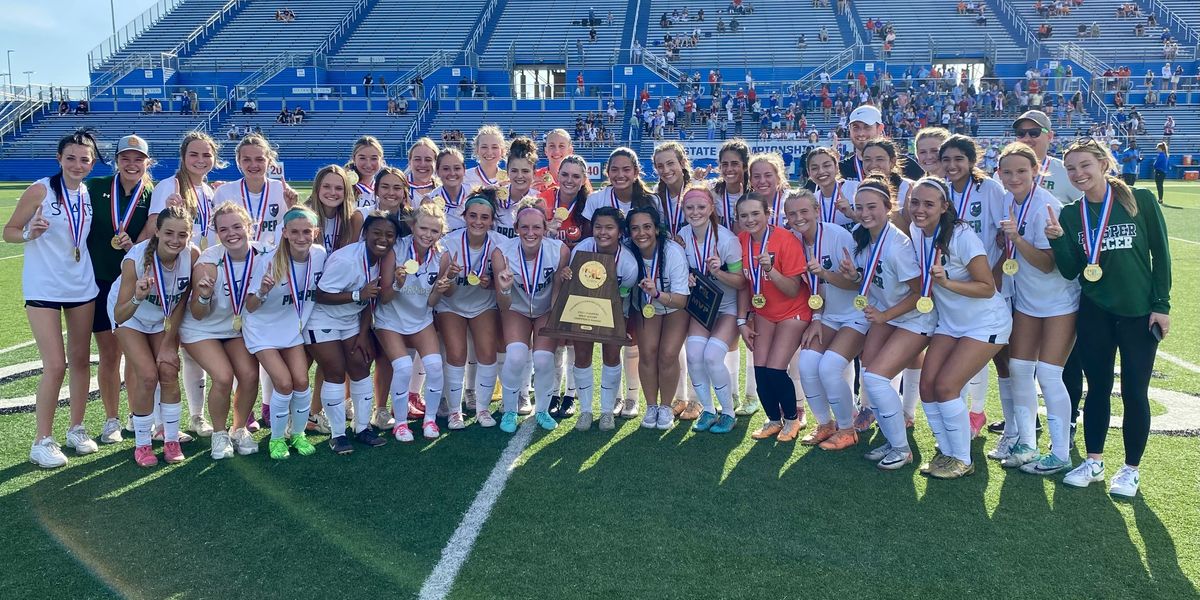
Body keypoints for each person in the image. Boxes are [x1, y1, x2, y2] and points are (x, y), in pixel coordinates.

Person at [1049, 138, 1171, 498]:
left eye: (1085, 165)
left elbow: (1160, 256)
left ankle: (1131, 469)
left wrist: (1161, 305)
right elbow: (1072, 271)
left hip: (1137, 312)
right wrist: (1057, 240)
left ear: (1104, 164)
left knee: (1135, 392)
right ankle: (1094, 462)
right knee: (1097, 388)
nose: (1078, 173)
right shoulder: (1072, 214)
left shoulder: (1140, 200)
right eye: (1071, 168)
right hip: (1095, 312)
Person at [4, 131, 102, 468]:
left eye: (84, 159)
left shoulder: (89, 193)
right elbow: (9, 231)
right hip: (43, 288)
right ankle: (41, 440)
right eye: (71, 158)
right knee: (55, 365)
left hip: (81, 287)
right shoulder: (40, 190)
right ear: (59, 159)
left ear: (92, 162)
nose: (77, 164)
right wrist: (30, 233)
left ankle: (76, 428)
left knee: (79, 360)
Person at [909, 175, 1011, 479]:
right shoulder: (917, 233)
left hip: (985, 323)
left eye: (929, 204)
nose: (920, 209)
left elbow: (987, 287)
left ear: (944, 206)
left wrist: (946, 282)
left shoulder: (961, 235)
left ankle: (963, 459)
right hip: (950, 323)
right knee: (926, 387)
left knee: (946, 387)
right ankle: (947, 451)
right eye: (915, 202)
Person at [990, 142, 1079, 475]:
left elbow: (1046, 265)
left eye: (1022, 171)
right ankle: (1026, 444)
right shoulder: (1007, 200)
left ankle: (1059, 453)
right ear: (999, 173)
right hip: (1027, 300)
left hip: (1059, 301)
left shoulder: (1047, 205)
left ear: (1036, 171)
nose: (1014, 177)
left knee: (1050, 374)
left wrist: (1016, 239)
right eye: (1008, 171)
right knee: (1020, 370)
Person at [109, 206, 197, 467]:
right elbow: (120, 313)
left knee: (168, 370)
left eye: (182, 235)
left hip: (162, 318)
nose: (175, 240)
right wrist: (138, 295)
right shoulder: (134, 260)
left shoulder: (191, 255)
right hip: (131, 316)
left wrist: (171, 343)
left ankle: (170, 439)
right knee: (147, 375)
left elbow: (181, 301)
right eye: (168, 232)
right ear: (156, 231)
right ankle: (142, 444)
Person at [308, 208, 398, 456]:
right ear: (365, 233)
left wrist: (362, 333)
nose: (383, 239)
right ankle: (338, 435)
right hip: (322, 319)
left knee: (360, 366)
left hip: (351, 320)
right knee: (335, 372)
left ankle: (362, 428)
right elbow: (321, 295)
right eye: (377, 233)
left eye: (389, 235)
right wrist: (358, 294)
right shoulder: (346, 259)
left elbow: (372, 299)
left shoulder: (384, 259)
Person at [86, 134, 156, 445]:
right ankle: (111, 418)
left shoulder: (152, 194)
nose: (131, 164)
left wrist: (137, 243)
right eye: (125, 158)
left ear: (146, 162)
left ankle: (135, 414)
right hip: (100, 280)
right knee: (110, 354)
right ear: (116, 160)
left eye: (138, 158)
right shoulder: (95, 188)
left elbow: (158, 230)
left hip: (133, 283)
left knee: (136, 355)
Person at [182, 203, 266, 459]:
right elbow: (197, 313)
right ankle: (219, 434)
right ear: (216, 233)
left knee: (250, 375)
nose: (232, 234)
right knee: (223, 376)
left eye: (237, 227)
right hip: (201, 328)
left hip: (235, 328)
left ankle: (238, 429)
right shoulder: (209, 262)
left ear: (249, 227)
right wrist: (205, 296)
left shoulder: (265, 253)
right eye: (223, 229)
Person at [243, 206, 326, 453]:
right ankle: (277, 438)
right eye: (295, 232)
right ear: (285, 233)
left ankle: (298, 434)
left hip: (292, 328)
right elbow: (250, 305)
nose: (301, 238)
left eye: (307, 232)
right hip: (262, 329)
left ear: (316, 232)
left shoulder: (320, 255)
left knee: (301, 381)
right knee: (283, 383)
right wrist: (262, 292)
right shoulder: (269, 260)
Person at [939, 135, 1007, 437]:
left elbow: (1003, 234)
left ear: (971, 161)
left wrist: (994, 276)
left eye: (959, 159)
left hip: (985, 281)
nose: (953, 165)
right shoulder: (940, 191)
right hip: (950, 288)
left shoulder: (989, 189)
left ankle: (976, 412)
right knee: (961, 353)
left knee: (980, 353)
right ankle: (964, 411)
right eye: (947, 160)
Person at [736, 192, 811, 441]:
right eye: (744, 215)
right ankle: (772, 420)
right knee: (760, 369)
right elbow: (744, 285)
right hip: (763, 312)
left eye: (756, 213)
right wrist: (742, 321)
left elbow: (791, 290)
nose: (750, 219)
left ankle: (792, 419)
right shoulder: (741, 241)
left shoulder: (785, 239)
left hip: (793, 311)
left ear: (768, 214)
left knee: (776, 369)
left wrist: (770, 269)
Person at [492, 199, 569, 432]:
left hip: (545, 309)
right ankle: (510, 410)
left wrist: (554, 321)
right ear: (516, 229)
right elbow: (503, 303)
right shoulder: (502, 253)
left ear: (545, 229)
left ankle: (543, 410)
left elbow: (556, 291)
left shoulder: (559, 251)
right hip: (515, 309)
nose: (530, 232)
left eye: (536, 227)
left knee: (545, 360)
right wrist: (505, 287)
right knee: (516, 356)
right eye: (524, 227)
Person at [436, 189, 507, 428]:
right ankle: (455, 411)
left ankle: (483, 409)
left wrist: (491, 284)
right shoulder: (448, 243)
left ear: (492, 221)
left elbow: (504, 284)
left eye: (484, 217)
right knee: (456, 354)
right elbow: (444, 291)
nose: (478, 221)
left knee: (487, 353)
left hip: (482, 303)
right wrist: (451, 277)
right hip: (451, 304)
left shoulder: (500, 244)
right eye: (473, 216)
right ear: (464, 217)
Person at [678, 185, 744, 433]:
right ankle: (707, 409)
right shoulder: (682, 237)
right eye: (690, 207)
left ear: (711, 209)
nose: (695, 212)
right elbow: (679, 271)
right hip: (702, 308)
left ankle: (727, 412)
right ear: (683, 210)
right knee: (694, 355)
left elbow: (741, 282)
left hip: (726, 307)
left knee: (712, 357)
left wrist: (719, 272)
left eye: (701, 207)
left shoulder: (727, 240)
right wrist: (685, 278)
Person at [625, 206, 691, 430]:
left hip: (674, 306)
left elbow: (681, 300)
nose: (641, 233)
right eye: (635, 229)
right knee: (648, 353)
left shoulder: (672, 252)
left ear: (656, 229)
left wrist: (657, 293)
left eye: (647, 227)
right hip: (647, 308)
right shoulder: (627, 250)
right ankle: (651, 406)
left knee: (668, 354)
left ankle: (665, 406)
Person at [462, 125, 507, 190]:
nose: (489, 152)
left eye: (494, 147)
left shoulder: (508, 179)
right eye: (484, 147)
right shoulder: (464, 177)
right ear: (477, 149)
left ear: (502, 150)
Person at [346, 135, 385, 210]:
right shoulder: (343, 186)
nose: (368, 164)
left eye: (374, 158)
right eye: (362, 158)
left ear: (381, 160)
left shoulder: (385, 189)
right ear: (354, 159)